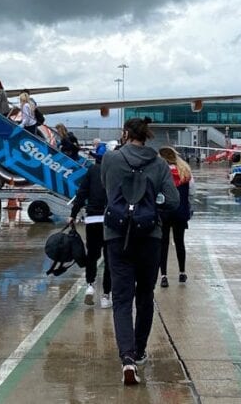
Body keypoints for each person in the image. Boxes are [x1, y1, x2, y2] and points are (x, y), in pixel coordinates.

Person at [101, 118, 179, 385]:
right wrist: (152, 209)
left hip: (116, 235)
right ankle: (141, 350)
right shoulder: (158, 164)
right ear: (147, 136)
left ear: (125, 135)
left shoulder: (111, 160)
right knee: (145, 296)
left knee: (121, 300)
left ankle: (127, 359)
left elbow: (106, 187)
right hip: (149, 236)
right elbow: (173, 200)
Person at [68, 147, 111, 308]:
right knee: (110, 258)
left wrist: (73, 214)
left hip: (92, 218)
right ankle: (106, 295)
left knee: (92, 255)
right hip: (110, 220)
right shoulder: (115, 172)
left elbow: (81, 194)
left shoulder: (92, 171)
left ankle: (90, 286)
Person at [157, 146, 192, 288]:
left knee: (163, 244)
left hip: (164, 212)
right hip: (180, 211)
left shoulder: (161, 173)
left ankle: (164, 276)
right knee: (179, 242)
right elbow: (192, 193)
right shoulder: (185, 171)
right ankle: (182, 272)